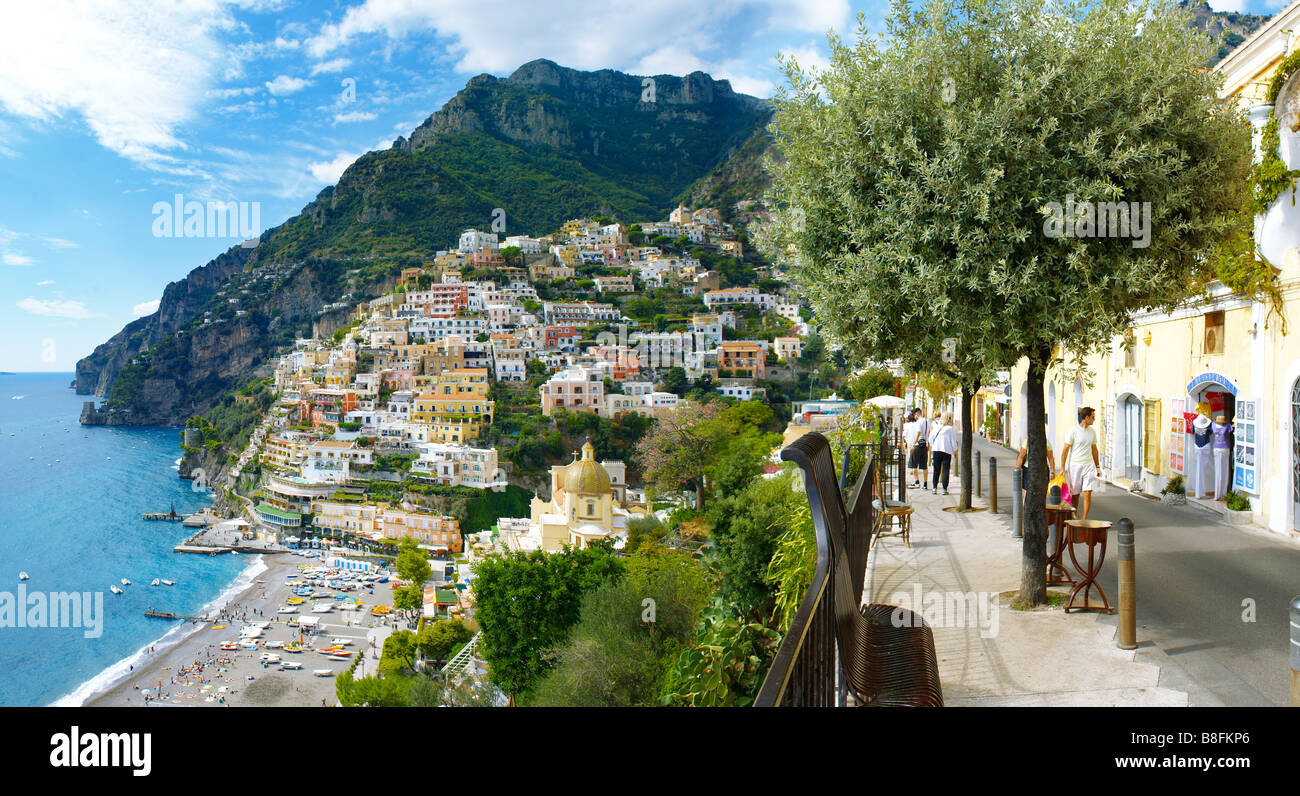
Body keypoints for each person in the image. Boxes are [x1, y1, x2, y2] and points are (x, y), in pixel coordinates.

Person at [1060, 406, 1102, 520]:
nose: (1094, 419)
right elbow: (1065, 450)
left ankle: (1083, 519)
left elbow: (1094, 450)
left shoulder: (1092, 432)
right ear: (1086, 417)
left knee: (1087, 492)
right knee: (1075, 494)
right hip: (1075, 466)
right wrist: (1063, 468)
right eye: (1093, 417)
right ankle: (1074, 514)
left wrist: (1098, 467)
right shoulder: (1073, 431)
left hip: (1088, 466)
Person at [928, 412, 956, 495]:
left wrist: (934, 445)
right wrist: (955, 451)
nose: (951, 420)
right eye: (950, 418)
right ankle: (944, 489)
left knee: (936, 470)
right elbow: (953, 442)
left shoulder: (936, 427)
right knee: (945, 470)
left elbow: (930, 439)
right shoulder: (950, 429)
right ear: (947, 419)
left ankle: (934, 488)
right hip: (946, 451)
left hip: (936, 451)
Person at [904, 409, 928, 489]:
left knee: (914, 465)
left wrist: (913, 445)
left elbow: (918, 432)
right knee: (924, 466)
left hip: (918, 445)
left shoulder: (918, 422)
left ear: (917, 414)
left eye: (914, 415)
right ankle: (925, 484)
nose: (914, 417)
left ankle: (917, 482)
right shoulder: (927, 421)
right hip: (925, 445)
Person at [1212, 414, 1233, 500]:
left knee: (1225, 471)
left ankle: (1224, 493)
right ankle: (1217, 494)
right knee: (1218, 471)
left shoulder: (1227, 426)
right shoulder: (1213, 425)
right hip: (1217, 449)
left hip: (1225, 449)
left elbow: (1230, 432)